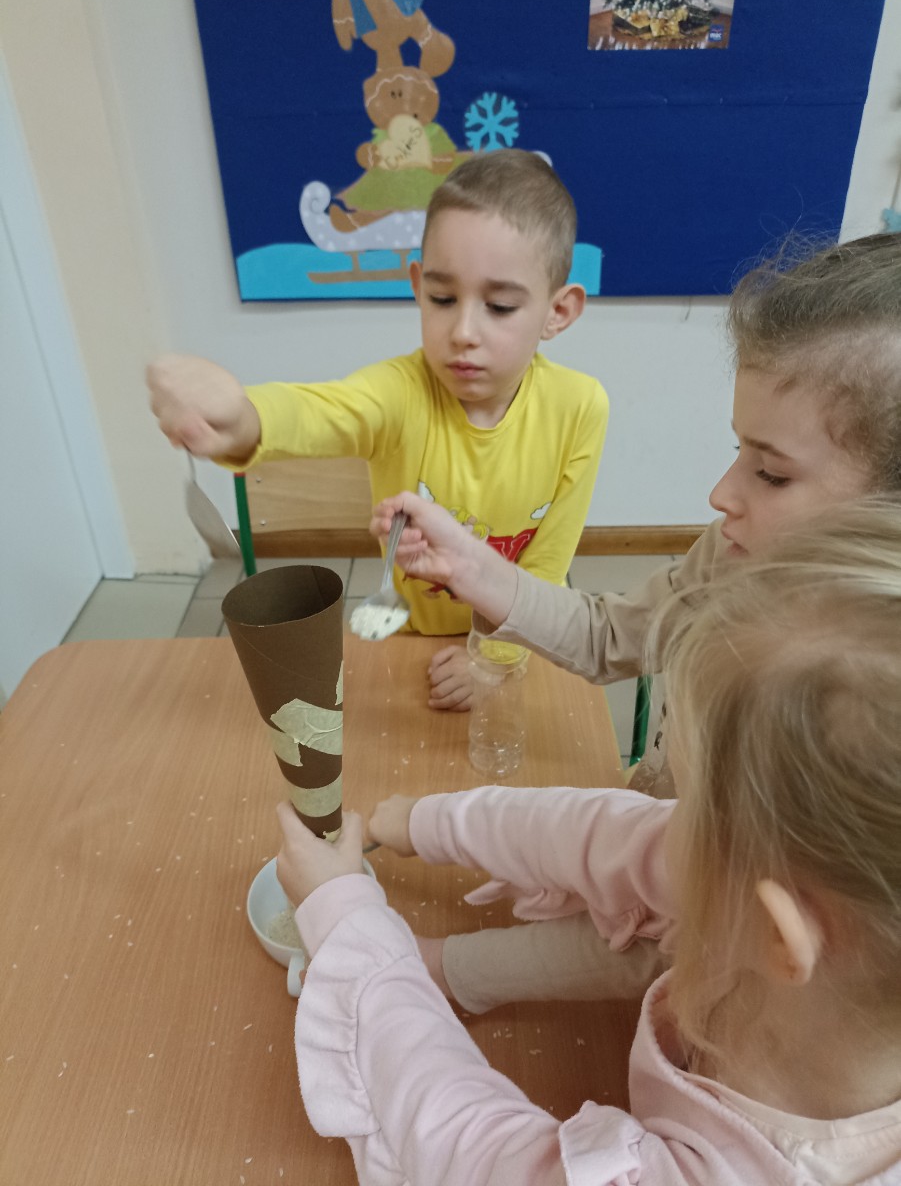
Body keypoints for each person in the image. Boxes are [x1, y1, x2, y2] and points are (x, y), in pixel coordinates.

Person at [276, 498, 901, 1185]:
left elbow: (465, 1149)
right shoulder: (838, 936)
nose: (662, 814)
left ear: (780, 934)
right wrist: (429, 822)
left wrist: (348, 922)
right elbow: (610, 833)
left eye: (689, 806)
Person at [366, 230, 901, 1010]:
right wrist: (473, 568)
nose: (720, 493)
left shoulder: (853, 723)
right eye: (738, 450)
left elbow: (694, 936)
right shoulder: (734, 556)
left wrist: (449, 968)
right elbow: (608, 635)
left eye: (770, 472)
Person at [147, 149, 608, 710]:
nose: (463, 331)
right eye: (443, 298)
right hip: (409, 641)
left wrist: (494, 657)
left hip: (518, 639)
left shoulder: (580, 408)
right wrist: (240, 417)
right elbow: (319, 411)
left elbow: (548, 565)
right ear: (417, 286)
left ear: (558, 312)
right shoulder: (399, 393)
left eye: (501, 306)